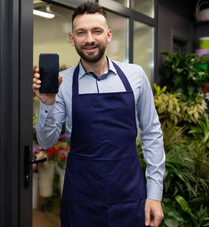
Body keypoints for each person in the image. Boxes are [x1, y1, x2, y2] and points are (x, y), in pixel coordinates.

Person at [32, 1, 165, 227]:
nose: (90, 39)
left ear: (109, 35)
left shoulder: (135, 75)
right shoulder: (63, 82)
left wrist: (154, 193)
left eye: (97, 31)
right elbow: (47, 141)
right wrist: (46, 104)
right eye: (81, 32)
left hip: (129, 195)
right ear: (72, 39)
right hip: (81, 198)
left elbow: (152, 134)